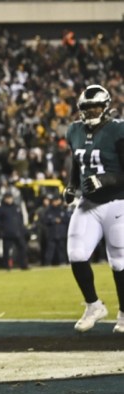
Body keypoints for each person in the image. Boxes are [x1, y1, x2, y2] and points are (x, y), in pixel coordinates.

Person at [63, 84, 124, 333]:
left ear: (106, 106)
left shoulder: (118, 130)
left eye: (96, 107)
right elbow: (78, 165)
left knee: (119, 261)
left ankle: (123, 313)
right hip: (88, 202)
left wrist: (105, 179)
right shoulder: (74, 131)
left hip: (117, 201)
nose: (91, 112)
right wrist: (71, 186)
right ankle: (93, 305)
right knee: (76, 254)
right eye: (86, 108)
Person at [0, 192, 29, 270]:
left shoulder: (16, 207)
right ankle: (7, 266)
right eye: (8, 198)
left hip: (18, 232)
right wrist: (4, 228)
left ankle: (23, 265)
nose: (9, 200)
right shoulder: (0, 209)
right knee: (6, 251)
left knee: (22, 248)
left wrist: (21, 228)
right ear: (5, 199)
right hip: (7, 234)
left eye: (10, 198)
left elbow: (21, 218)